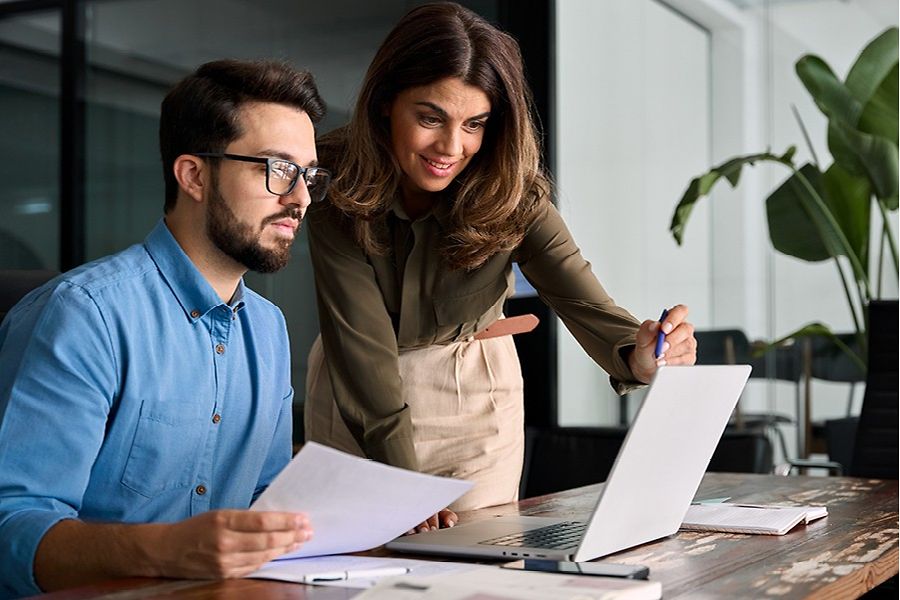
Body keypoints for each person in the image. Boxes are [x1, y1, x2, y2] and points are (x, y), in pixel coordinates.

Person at [304, 1, 697, 532]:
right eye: (429, 118)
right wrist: (404, 485)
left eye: (475, 124)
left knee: (475, 575)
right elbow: (362, 346)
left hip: (474, 403)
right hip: (355, 397)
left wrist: (640, 352)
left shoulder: (512, 194)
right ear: (384, 105)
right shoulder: (333, 179)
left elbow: (584, 302)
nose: (452, 147)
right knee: (349, 571)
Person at [0, 59, 331, 598]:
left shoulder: (268, 329)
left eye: (308, 174)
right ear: (194, 176)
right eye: (277, 169)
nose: (301, 198)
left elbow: (266, 501)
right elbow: (9, 527)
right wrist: (162, 552)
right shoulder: (84, 315)